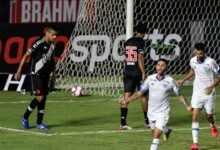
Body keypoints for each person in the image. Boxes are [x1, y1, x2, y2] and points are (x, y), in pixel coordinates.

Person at [120, 58, 192, 150]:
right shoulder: (150, 79)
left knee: (156, 136)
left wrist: (187, 106)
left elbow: (179, 95)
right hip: (151, 112)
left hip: (163, 112)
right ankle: (166, 130)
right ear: (155, 66)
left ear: (166, 67)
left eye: (162, 65)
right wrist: (127, 100)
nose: (160, 67)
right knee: (154, 133)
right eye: (158, 65)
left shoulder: (170, 81)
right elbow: (139, 93)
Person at [14, 25, 58, 130]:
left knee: (43, 98)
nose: (55, 37)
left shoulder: (52, 45)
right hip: (36, 74)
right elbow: (25, 55)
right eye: (53, 35)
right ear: (47, 33)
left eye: (56, 35)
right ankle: (25, 116)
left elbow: (52, 60)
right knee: (40, 97)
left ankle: (39, 123)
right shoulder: (38, 43)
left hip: (46, 74)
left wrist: (54, 73)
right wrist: (19, 70)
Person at [177, 42, 219, 150]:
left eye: (200, 54)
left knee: (209, 116)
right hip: (197, 92)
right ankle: (195, 144)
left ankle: (213, 125)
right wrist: (184, 79)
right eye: (197, 53)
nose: (198, 56)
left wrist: (212, 85)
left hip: (209, 93)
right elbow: (193, 71)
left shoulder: (211, 62)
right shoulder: (193, 60)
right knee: (195, 115)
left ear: (204, 52)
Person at [120, 23, 149, 130]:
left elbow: (127, 57)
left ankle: (123, 123)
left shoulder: (128, 41)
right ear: (144, 33)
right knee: (144, 96)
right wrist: (143, 73)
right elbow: (140, 58)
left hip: (128, 71)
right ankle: (147, 122)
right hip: (137, 72)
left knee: (126, 96)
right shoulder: (141, 42)